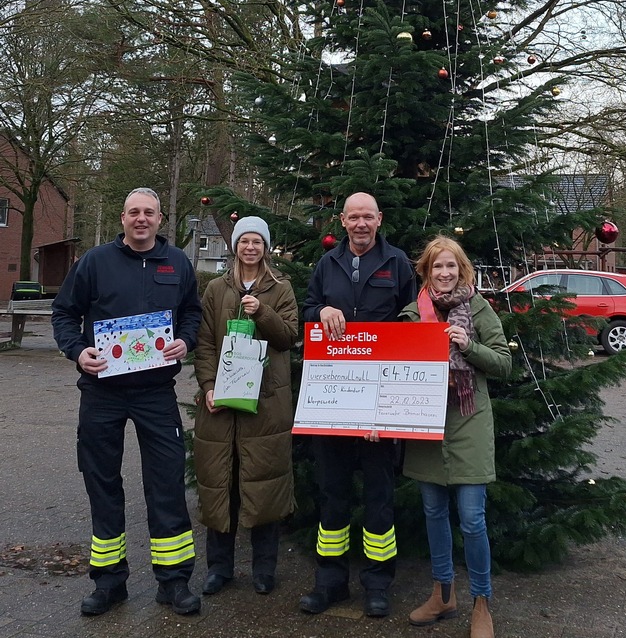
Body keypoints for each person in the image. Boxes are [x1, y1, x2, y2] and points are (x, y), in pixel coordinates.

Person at [51, 187, 203, 617]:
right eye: (134, 212)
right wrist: (78, 351)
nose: (141, 219)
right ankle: (109, 581)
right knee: (102, 482)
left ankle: (173, 582)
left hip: (156, 392)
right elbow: (64, 314)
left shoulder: (178, 264)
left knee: (167, 482)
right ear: (123, 218)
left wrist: (184, 340)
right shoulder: (95, 262)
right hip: (102, 392)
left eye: (149, 213)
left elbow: (192, 312)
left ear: (160, 220)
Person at [300, 192, 416, 618]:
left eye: (368, 217)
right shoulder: (326, 264)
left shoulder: (398, 263)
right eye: (354, 217)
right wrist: (321, 310)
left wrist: (388, 406)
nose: (361, 224)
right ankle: (329, 582)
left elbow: (412, 319)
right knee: (331, 491)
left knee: (379, 493)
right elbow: (306, 310)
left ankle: (377, 584)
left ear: (379, 220)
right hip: (333, 399)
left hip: (380, 400)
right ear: (343, 222)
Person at [400, 235, 511, 638]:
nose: (444, 273)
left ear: (461, 269)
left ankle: (482, 603)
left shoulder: (477, 308)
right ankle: (443, 593)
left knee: (471, 518)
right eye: (436, 267)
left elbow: (504, 363)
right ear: (426, 273)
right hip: (426, 425)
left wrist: (470, 346)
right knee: (433, 513)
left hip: (468, 423)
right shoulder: (413, 314)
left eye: (451, 266)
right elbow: (395, 373)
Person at [193, 216, 298, 597]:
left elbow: (289, 337)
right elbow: (204, 343)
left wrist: (263, 313)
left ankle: (263, 570)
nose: (250, 247)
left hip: (266, 407)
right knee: (221, 485)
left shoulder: (280, 288)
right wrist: (207, 385)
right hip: (221, 406)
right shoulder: (216, 290)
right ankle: (219, 570)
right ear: (235, 246)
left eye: (257, 241)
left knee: (264, 487)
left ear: (265, 247)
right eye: (244, 241)